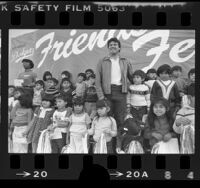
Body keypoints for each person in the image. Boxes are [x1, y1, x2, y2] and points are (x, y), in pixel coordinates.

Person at [95, 37, 133, 152]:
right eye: (110, 45)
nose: (113, 46)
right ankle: (108, 148)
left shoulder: (125, 61)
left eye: (115, 44)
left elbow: (131, 76)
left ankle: (119, 147)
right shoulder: (102, 61)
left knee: (120, 120)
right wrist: (101, 97)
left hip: (121, 92)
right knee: (108, 120)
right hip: (107, 93)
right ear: (108, 48)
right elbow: (98, 80)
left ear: (119, 47)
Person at [173, 84, 195, 154]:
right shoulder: (183, 111)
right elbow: (178, 130)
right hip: (189, 147)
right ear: (190, 97)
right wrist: (177, 123)